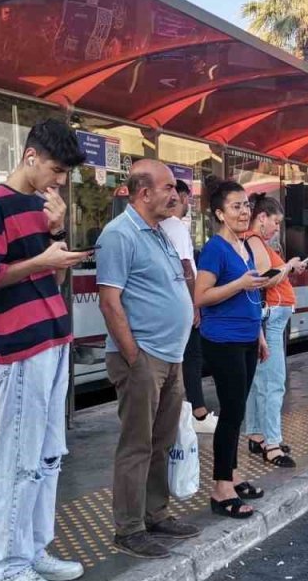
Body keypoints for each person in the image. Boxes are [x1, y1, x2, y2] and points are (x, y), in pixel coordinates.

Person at [0, 118, 88, 581]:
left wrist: (55, 234)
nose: (59, 181)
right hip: (17, 346)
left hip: (52, 337)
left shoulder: (42, 206)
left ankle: (33, 549)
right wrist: (43, 261)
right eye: (56, 169)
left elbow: (45, 276)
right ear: (31, 157)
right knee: (18, 455)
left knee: (47, 453)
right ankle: (5, 564)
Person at [97, 161, 201, 559]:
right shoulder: (119, 235)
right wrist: (134, 356)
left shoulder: (159, 232)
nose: (174, 195)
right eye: (168, 188)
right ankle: (128, 527)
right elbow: (110, 302)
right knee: (137, 443)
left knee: (162, 439)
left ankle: (155, 513)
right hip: (143, 357)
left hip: (170, 355)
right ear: (143, 193)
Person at [195, 180, 288, 518]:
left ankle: (233, 476)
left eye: (246, 205)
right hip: (224, 340)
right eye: (235, 206)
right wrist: (238, 283)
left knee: (238, 413)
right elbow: (201, 297)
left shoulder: (244, 246)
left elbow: (252, 295)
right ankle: (221, 489)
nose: (244, 211)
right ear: (219, 213)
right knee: (232, 413)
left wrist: (260, 336)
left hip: (248, 337)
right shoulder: (215, 249)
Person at [242, 193, 305, 466]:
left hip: (268, 318)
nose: (277, 228)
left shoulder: (252, 241)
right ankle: (272, 444)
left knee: (260, 381)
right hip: (271, 319)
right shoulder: (255, 241)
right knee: (273, 382)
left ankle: (257, 435)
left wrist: (288, 267)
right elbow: (265, 279)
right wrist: (288, 266)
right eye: (276, 222)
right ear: (262, 218)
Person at [160, 180, 218, 435]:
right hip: (184, 302)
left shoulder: (156, 226)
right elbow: (186, 267)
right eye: (187, 199)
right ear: (180, 197)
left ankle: (180, 411)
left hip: (167, 304)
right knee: (192, 358)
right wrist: (195, 305)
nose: (188, 204)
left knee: (175, 362)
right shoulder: (176, 227)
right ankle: (198, 412)